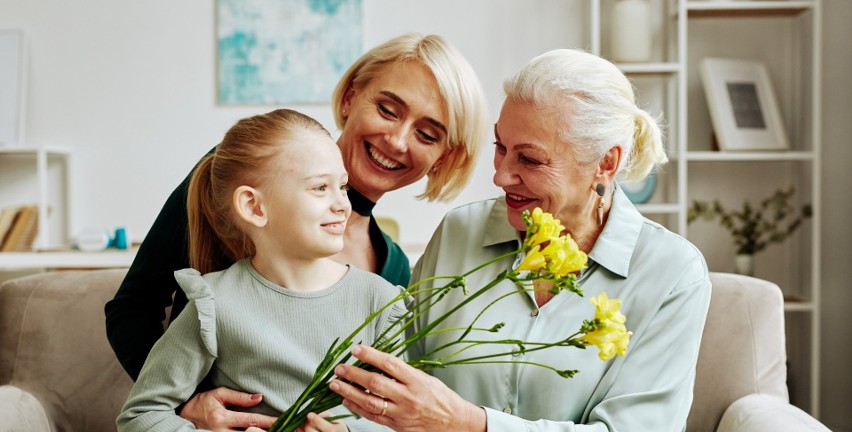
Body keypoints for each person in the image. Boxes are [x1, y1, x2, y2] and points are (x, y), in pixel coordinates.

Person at [104, 33, 488, 430]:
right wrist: (185, 408)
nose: (396, 140)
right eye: (388, 109)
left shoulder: (390, 276)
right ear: (349, 99)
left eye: (427, 135)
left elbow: (382, 407)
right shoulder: (245, 180)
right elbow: (132, 309)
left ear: (443, 157)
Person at [324, 48, 712, 432]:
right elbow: (386, 388)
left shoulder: (673, 274)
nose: (501, 177)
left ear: (605, 164)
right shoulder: (460, 232)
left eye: (530, 160)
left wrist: (469, 424)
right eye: (500, 148)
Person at [116, 108, 405, 432]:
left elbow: (402, 421)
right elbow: (141, 415)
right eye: (320, 188)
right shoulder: (214, 303)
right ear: (254, 207)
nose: (342, 204)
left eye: (343, 187)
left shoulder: (380, 302)